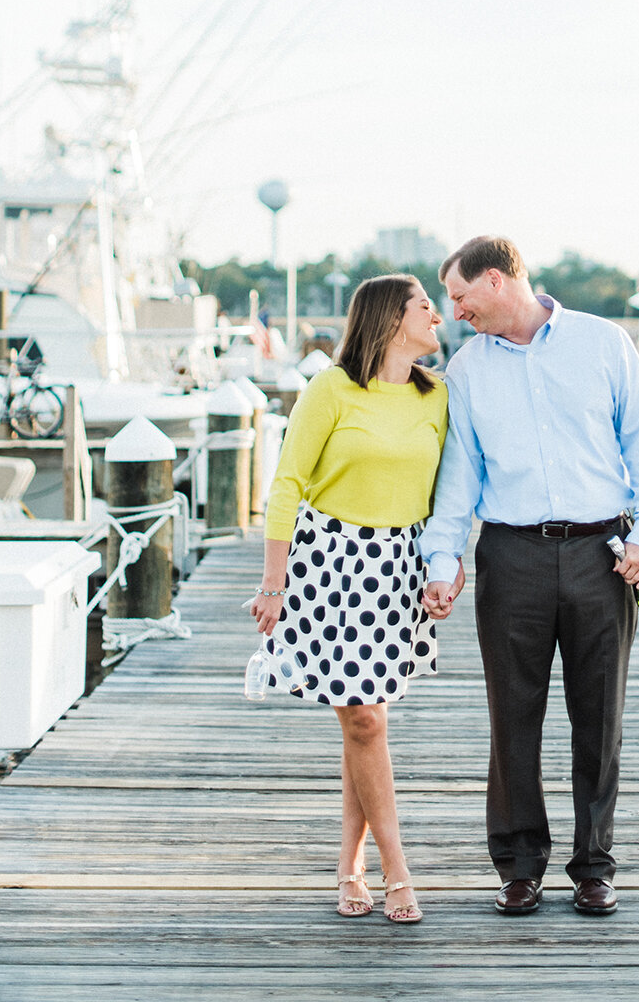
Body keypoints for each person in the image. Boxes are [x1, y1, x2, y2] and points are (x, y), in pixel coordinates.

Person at [420, 235, 639, 917]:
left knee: (600, 718)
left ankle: (594, 864)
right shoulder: (467, 369)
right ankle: (518, 865)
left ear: (495, 280)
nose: (454, 310)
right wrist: (440, 563)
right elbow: (458, 476)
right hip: (510, 556)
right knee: (513, 717)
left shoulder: (602, 343)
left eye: (459, 294)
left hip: (603, 555)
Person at [250, 273, 448, 924]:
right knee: (365, 719)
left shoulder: (434, 396)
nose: (437, 316)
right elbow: (287, 485)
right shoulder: (331, 388)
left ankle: (347, 869)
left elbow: (446, 497)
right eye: (425, 305)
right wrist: (273, 583)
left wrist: (446, 569)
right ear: (390, 318)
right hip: (330, 565)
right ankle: (396, 871)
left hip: (397, 570)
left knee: (361, 723)